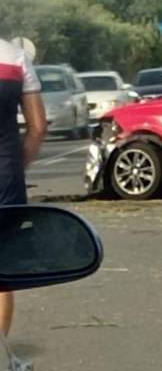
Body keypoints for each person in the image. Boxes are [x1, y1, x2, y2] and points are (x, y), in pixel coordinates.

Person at [0, 37, 46, 340]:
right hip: (4, 182)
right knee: (1, 276)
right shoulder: (15, 57)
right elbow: (38, 126)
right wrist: (17, 167)